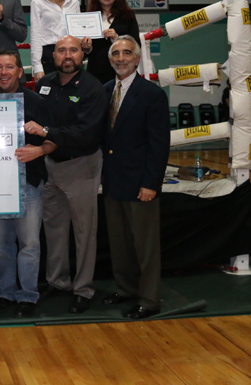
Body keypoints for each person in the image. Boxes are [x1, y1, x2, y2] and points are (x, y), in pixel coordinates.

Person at [24, 35, 108, 314]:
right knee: (54, 228)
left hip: (81, 165)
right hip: (51, 165)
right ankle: (58, 281)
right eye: (62, 50)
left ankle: (83, 288)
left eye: (73, 50)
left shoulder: (93, 88)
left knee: (85, 232)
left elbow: (84, 133)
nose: (67, 55)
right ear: (54, 55)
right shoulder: (44, 83)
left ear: (82, 54)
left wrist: (46, 135)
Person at [101, 35, 170, 320]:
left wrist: (150, 183)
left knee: (145, 247)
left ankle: (150, 299)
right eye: (115, 53)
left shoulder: (152, 94)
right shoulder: (105, 91)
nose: (120, 58)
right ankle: (126, 289)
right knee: (120, 244)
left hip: (141, 183)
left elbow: (159, 144)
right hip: (113, 182)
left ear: (137, 58)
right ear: (109, 59)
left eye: (126, 53)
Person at [0, 51, 54, 318]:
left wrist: (38, 151)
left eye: (10, 67)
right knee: (2, 244)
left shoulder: (37, 102)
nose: (4, 72)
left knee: (29, 244)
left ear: (19, 72)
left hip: (28, 182)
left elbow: (56, 138)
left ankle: (28, 296)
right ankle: (5, 293)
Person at [29, 0, 82, 79]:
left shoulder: (74, 3)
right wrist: (37, 66)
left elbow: (77, 33)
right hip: (48, 56)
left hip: (70, 56)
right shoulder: (38, 2)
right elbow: (35, 35)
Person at [85, 0, 140, 84]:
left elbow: (136, 45)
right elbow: (84, 53)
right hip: (95, 74)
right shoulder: (88, 17)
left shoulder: (128, 16)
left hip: (121, 72)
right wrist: (87, 48)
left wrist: (117, 39)